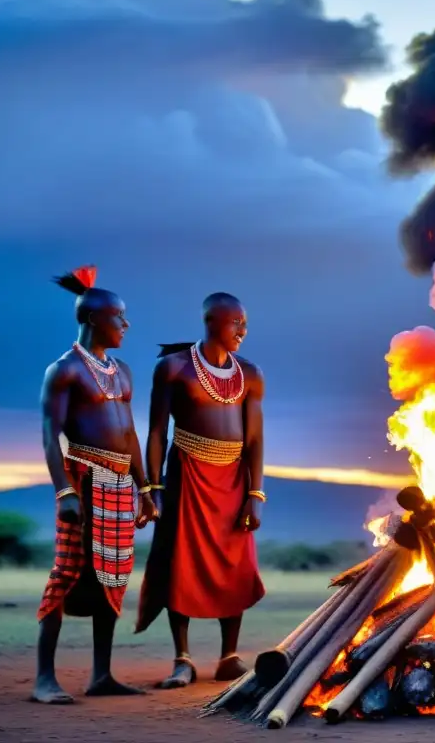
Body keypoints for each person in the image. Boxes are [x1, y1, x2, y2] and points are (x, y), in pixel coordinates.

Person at [34, 266, 157, 704]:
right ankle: (44, 679)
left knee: (114, 574)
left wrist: (145, 489)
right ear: (91, 319)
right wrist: (65, 491)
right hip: (83, 478)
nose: (125, 324)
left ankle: (101, 675)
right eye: (118, 316)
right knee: (67, 572)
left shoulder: (122, 371)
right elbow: (51, 435)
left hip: (122, 484)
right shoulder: (64, 370)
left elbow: (129, 433)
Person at [135, 293, 266, 688]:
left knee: (235, 565)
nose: (243, 330)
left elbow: (256, 440)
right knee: (182, 563)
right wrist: (152, 487)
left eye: (245, 323)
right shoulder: (173, 369)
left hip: (234, 478)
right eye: (235, 323)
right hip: (187, 474)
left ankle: (229, 657)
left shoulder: (250, 373)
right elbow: (157, 431)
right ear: (211, 321)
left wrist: (255, 495)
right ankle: (183, 659)